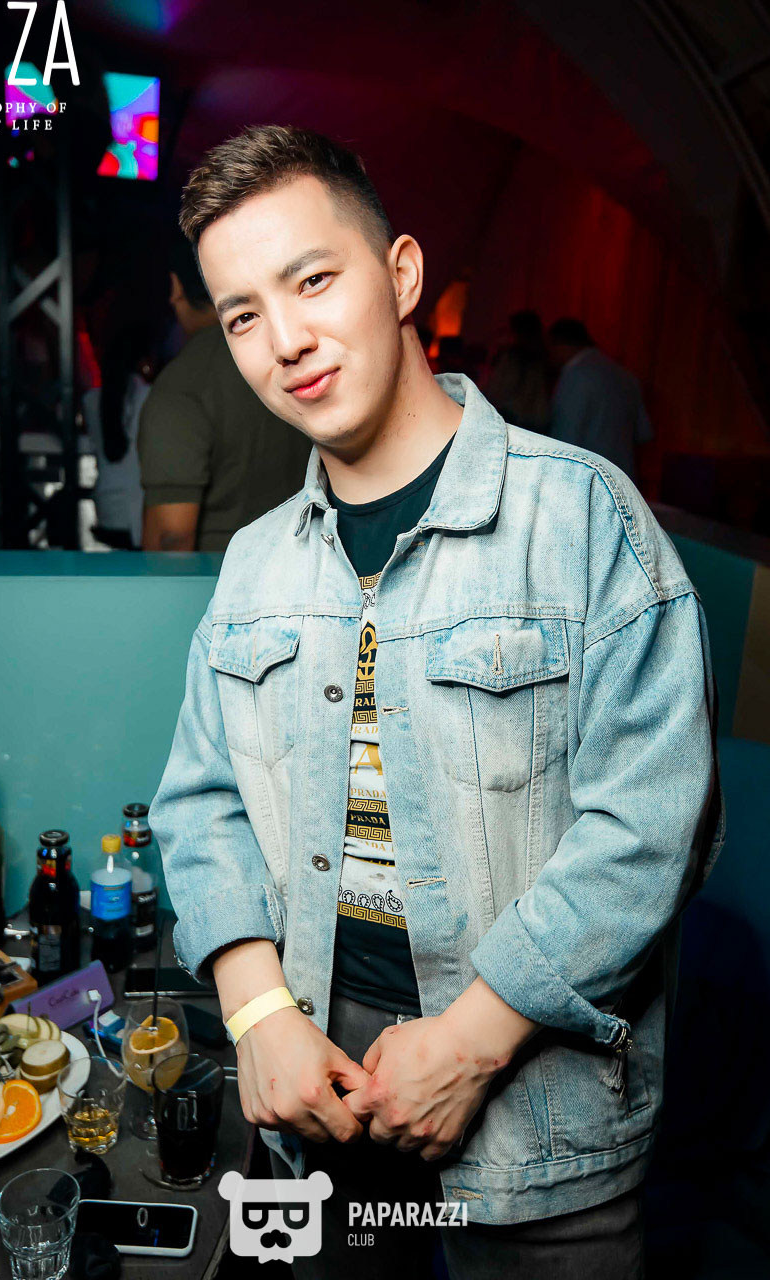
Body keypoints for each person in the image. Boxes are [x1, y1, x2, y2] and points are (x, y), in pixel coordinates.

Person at [149, 125, 725, 1279]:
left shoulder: (586, 519)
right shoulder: (255, 561)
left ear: (402, 274)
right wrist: (259, 1013)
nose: (285, 340)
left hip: (535, 1105)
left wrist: (470, 1040)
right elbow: (199, 801)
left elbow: (655, 822)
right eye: (244, 314)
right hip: (317, 1082)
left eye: (314, 279)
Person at [137, 234, 311, 552]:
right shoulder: (294, 355)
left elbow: (170, 538)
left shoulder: (183, 383)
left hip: (216, 577)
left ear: (176, 287)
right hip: (313, 565)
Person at [548, 318, 654, 483]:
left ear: (559, 344)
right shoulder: (627, 376)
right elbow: (643, 433)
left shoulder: (576, 375)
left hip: (586, 480)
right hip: (623, 480)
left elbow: (564, 436)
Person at [82, 322, 154, 549]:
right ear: (143, 361)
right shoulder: (150, 396)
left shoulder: (91, 400)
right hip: (138, 511)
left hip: (106, 507)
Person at [485, 308, 551, 432]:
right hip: (535, 423)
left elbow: (497, 391)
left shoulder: (512, 358)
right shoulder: (544, 358)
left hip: (512, 421)